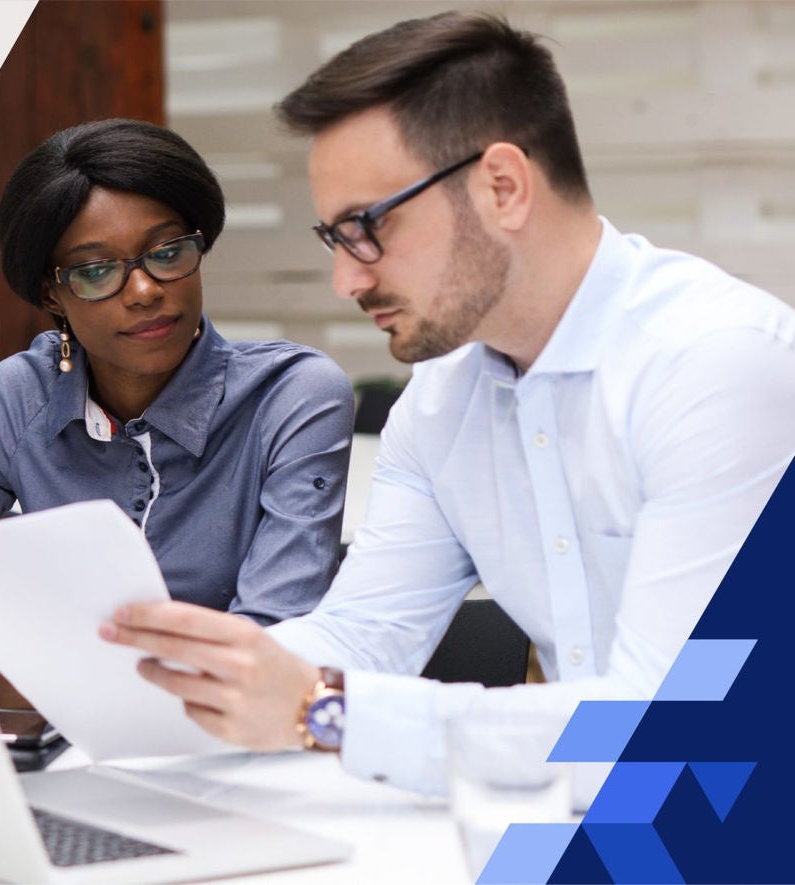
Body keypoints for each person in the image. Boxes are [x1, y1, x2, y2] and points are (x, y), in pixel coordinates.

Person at [104, 12, 795, 793]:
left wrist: (323, 711)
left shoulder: (717, 366)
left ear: (502, 186)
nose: (349, 280)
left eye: (367, 227)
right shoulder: (443, 397)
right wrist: (178, 676)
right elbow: (363, 634)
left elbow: (666, 732)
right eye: (336, 240)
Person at [0, 119, 353, 625]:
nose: (146, 290)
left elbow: (275, 631)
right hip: (56, 702)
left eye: (168, 253)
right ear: (51, 295)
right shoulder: (16, 399)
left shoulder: (291, 398)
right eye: (95, 270)